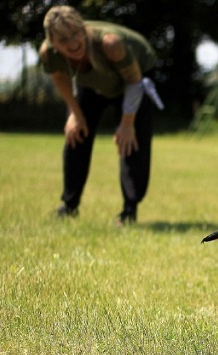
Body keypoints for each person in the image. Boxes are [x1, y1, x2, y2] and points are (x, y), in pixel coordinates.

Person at [39, 5, 163, 225]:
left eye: (76, 33)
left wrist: (127, 123)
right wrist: (74, 113)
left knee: (131, 142)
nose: (73, 43)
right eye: (64, 39)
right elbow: (59, 77)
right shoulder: (49, 53)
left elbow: (134, 81)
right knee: (75, 135)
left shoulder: (110, 44)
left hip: (133, 80)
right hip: (92, 84)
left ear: (83, 28)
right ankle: (69, 205)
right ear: (52, 41)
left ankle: (129, 210)